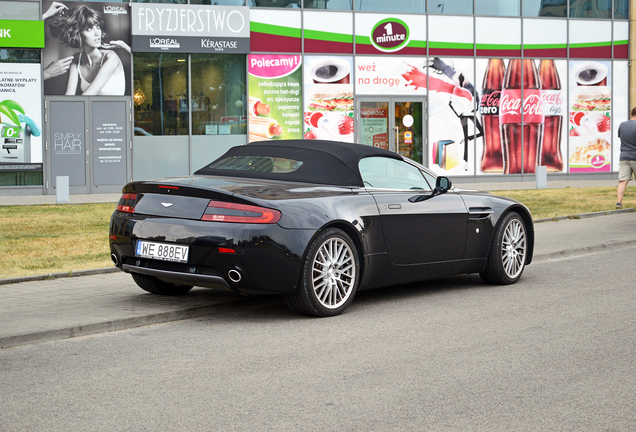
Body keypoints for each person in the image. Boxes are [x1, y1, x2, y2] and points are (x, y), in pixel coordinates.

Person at [44, 3, 130, 95]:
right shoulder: (77, 59)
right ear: (77, 33)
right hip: (89, 108)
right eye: (89, 29)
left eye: (98, 27)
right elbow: (69, 96)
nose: (97, 33)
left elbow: (87, 96)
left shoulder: (111, 58)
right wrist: (45, 16)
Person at [616, 107, 636, 209]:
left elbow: (620, 137)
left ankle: (619, 202)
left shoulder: (622, 125)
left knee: (623, 181)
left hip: (624, 157)